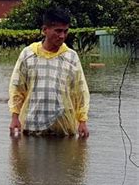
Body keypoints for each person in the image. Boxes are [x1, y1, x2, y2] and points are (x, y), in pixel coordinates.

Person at [8, 7, 90, 137]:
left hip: (63, 127)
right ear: (45, 30)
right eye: (57, 31)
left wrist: (82, 121)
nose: (62, 36)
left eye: (65, 31)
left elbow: (80, 91)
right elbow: (17, 88)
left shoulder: (71, 57)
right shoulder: (28, 54)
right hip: (32, 125)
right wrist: (14, 117)